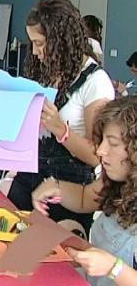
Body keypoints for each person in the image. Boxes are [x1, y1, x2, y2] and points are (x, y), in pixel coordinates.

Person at [6, 0, 115, 234]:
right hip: (31, 176)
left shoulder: (95, 82)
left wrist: (60, 129)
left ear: (61, 41)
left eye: (40, 43)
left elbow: (97, 156)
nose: (34, 52)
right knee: (8, 244)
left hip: (69, 190)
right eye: (32, 43)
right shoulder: (48, 71)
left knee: (50, 261)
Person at [32, 96, 137, 286]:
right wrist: (56, 187)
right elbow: (83, 198)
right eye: (103, 140)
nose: (100, 151)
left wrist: (114, 268)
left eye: (112, 144)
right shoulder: (117, 183)